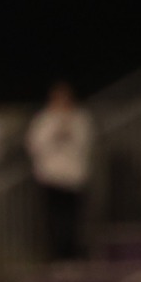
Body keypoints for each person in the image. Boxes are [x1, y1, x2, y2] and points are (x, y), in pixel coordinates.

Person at [26, 81, 95, 261]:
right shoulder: (44, 119)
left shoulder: (80, 118)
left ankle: (73, 255)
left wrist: (69, 130)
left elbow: (86, 144)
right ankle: (55, 256)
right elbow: (34, 145)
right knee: (53, 220)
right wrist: (55, 132)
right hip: (51, 178)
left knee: (74, 220)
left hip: (74, 178)